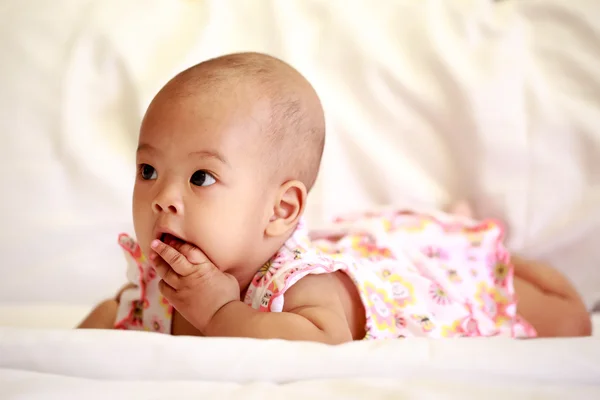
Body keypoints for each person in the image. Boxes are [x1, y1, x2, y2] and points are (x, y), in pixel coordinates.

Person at [78, 52, 592, 342]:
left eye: (201, 178)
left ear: (280, 211)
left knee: (566, 321)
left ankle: (500, 261)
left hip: (417, 289)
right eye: (148, 170)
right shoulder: (155, 285)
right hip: (359, 246)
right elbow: (105, 322)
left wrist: (218, 314)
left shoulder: (300, 287)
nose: (163, 198)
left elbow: (325, 345)